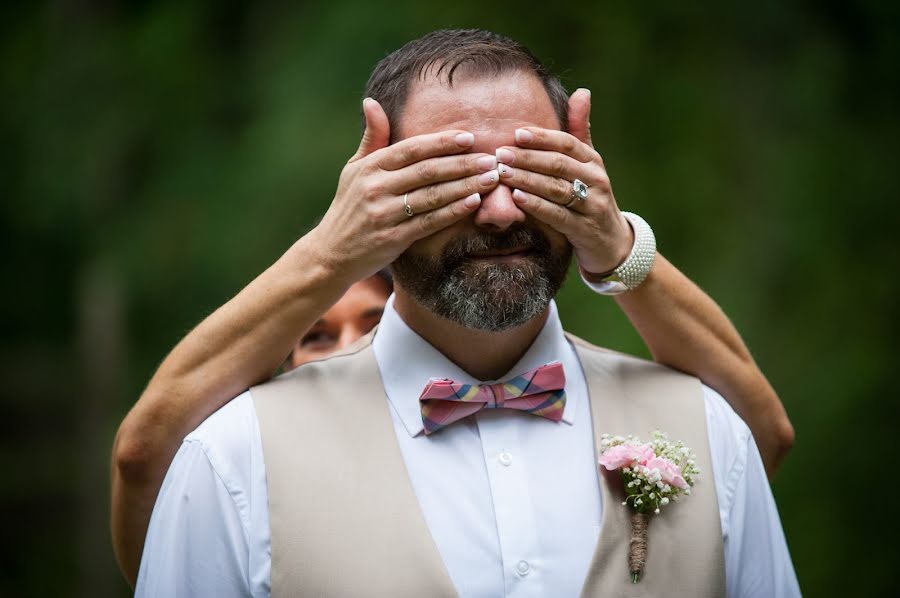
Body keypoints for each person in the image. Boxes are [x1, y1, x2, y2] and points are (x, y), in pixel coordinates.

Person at [127, 29, 799, 596]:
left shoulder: (711, 432)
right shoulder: (233, 458)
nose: (503, 213)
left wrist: (617, 244)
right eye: (453, 178)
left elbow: (770, 434)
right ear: (378, 189)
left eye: (532, 173)